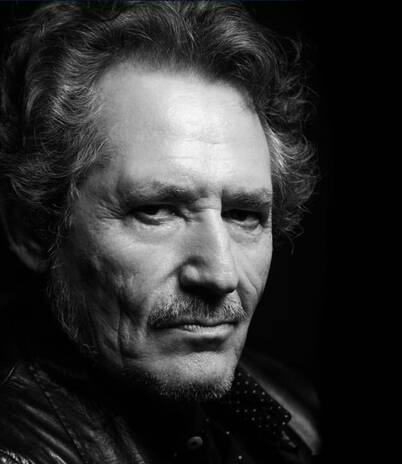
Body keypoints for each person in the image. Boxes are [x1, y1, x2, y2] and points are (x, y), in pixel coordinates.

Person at [0, 2, 320, 463]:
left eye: (244, 215)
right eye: (156, 211)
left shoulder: (295, 409)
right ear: (32, 229)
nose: (221, 274)